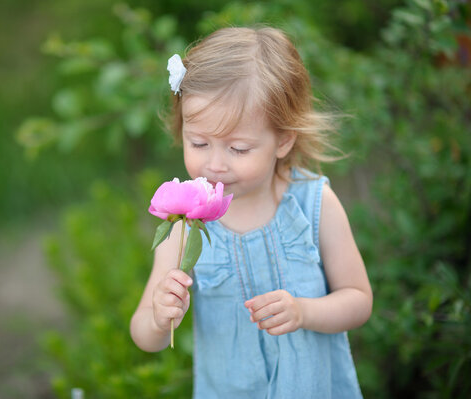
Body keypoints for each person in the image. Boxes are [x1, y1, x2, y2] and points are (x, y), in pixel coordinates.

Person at [130, 26, 373, 398]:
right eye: (198, 142)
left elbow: (358, 300)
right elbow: (145, 336)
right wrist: (161, 318)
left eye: (238, 149)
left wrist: (304, 312)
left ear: (283, 140)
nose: (214, 164)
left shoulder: (314, 204)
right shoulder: (183, 225)